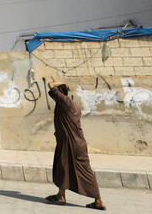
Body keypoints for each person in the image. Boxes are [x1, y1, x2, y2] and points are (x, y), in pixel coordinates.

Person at [47, 82, 105, 210]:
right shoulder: (72, 105)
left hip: (71, 144)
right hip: (74, 143)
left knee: (83, 172)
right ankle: (60, 195)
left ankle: (98, 200)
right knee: (64, 168)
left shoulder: (65, 102)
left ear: (60, 93)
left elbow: (50, 84)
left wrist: (62, 83)